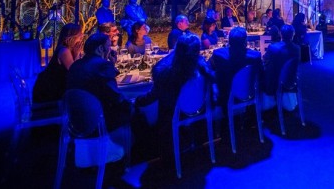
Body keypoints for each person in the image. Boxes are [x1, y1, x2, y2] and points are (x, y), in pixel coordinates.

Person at [135, 34, 214, 167]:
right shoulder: (202, 68)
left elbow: (154, 95)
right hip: (201, 110)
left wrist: (137, 101)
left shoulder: (167, 72)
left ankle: (153, 156)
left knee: (145, 110)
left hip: (176, 115)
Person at [67, 33, 133, 133]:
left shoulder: (75, 65)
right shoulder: (103, 65)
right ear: (100, 48)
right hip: (99, 121)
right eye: (108, 46)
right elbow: (115, 96)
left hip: (75, 121)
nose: (110, 50)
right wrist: (134, 105)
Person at [208, 27, 262, 114]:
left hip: (226, 96)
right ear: (245, 42)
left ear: (229, 41)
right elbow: (261, 75)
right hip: (250, 94)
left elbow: (209, 69)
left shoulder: (218, 54)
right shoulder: (256, 56)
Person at [33, 23, 84, 103]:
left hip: (56, 88)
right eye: (80, 36)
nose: (81, 38)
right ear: (72, 36)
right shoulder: (64, 51)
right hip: (50, 91)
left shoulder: (68, 50)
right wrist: (77, 55)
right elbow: (74, 71)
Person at [262, 25, 301, 96]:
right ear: (293, 34)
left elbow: (264, 60)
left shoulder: (273, 47)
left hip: (275, 81)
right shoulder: (297, 49)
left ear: (280, 34)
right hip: (291, 79)